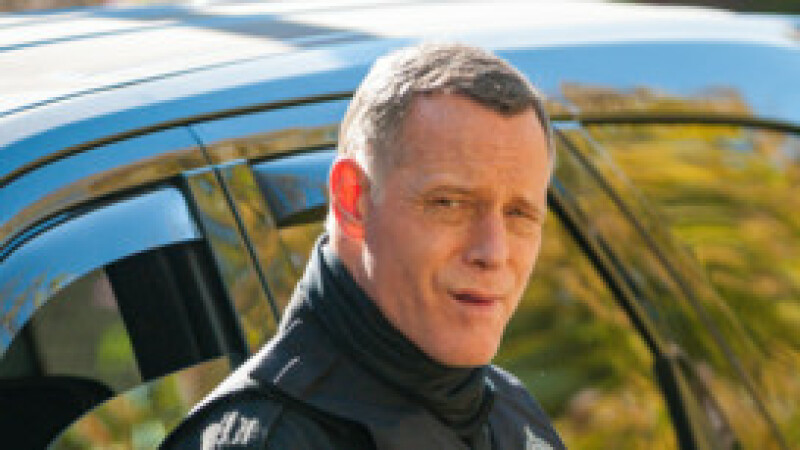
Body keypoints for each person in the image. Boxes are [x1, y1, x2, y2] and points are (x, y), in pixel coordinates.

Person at [161, 42, 565, 450]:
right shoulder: (266, 441)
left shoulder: (514, 416)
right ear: (352, 200)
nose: (493, 252)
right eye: (449, 204)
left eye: (519, 214)